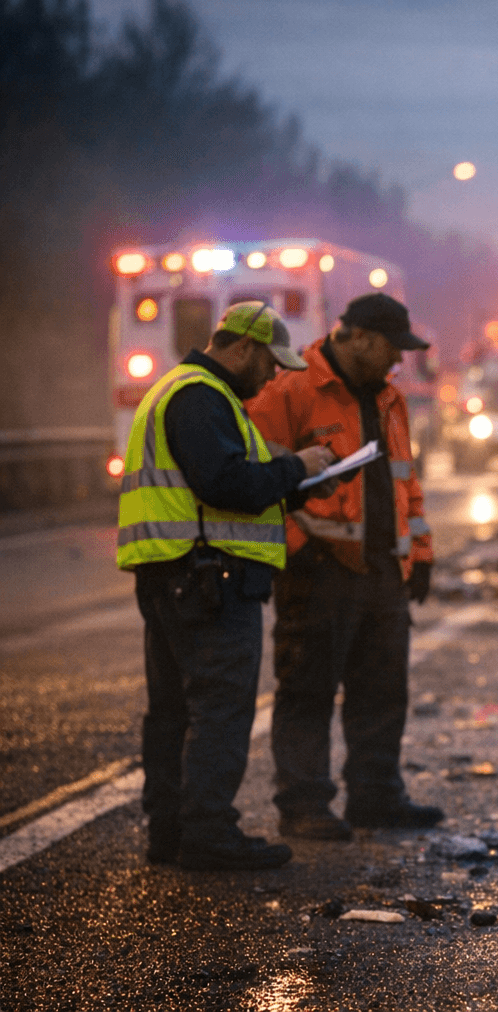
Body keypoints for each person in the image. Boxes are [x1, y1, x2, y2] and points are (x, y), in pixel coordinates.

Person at [118, 302, 335, 870]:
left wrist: (298, 482)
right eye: (268, 364)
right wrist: (298, 466)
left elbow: (222, 490)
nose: (271, 377)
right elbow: (226, 484)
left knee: (174, 710)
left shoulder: (181, 391)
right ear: (242, 348)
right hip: (209, 577)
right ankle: (209, 834)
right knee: (219, 708)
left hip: (177, 572)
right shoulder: (202, 397)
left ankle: (171, 831)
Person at [246, 292, 441, 840]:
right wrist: (295, 547)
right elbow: (257, 481)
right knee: (307, 689)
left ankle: (376, 795)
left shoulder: (389, 399)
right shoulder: (292, 389)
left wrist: (420, 554)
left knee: (383, 691)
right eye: (390, 348)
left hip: (382, 571)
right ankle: (304, 805)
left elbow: (406, 483)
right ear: (357, 337)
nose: (397, 361)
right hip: (318, 572)